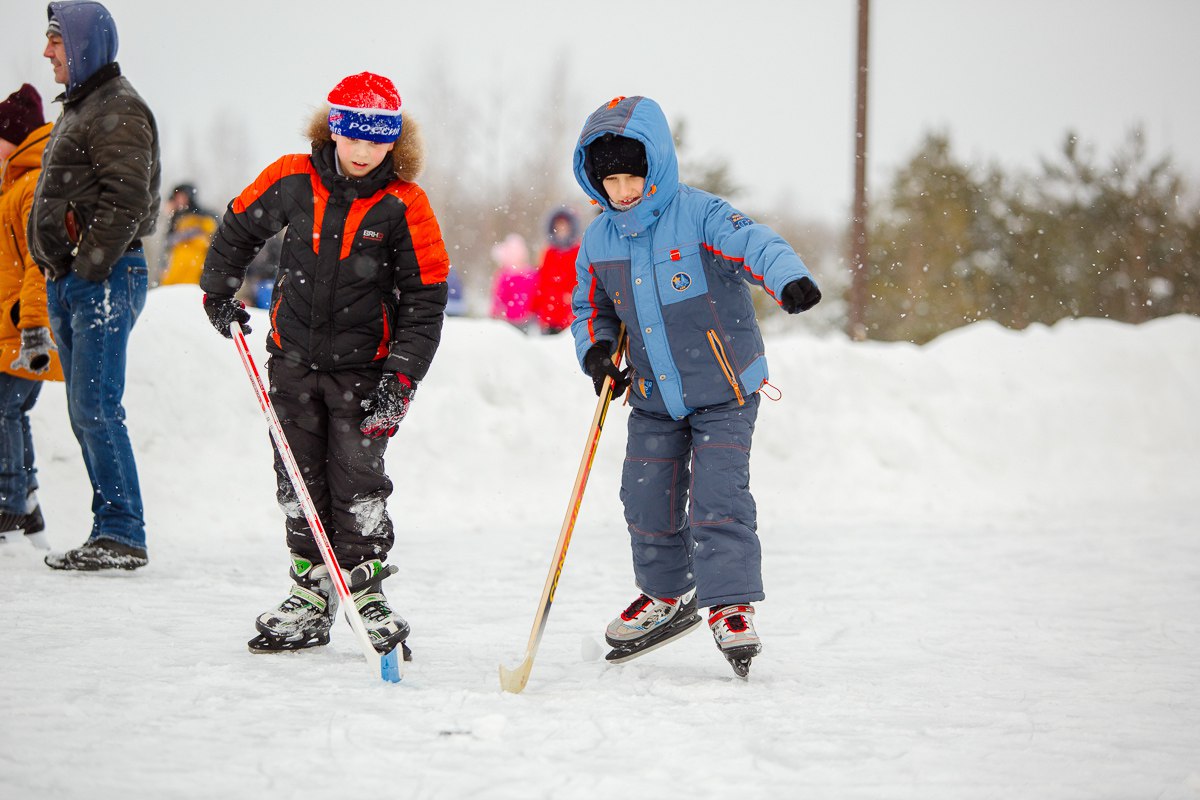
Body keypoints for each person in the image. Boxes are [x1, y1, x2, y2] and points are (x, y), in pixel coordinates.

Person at [569, 96, 823, 676]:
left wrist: (788, 279)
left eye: (634, 175)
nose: (625, 190)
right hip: (654, 397)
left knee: (719, 500)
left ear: (656, 168)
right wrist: (598, 353)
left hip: (724, 392)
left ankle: (730, 603)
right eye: (612, 179)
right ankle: (666, 594)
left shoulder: (701, 215)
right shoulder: (599, 241)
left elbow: (755, 243)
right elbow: (590, 307)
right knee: (644, 499)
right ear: (596, 180)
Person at [200, 72, 450, 657]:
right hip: (291, 361)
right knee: (298, 481)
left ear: (394, 142)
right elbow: (237, 225)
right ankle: (311, 594)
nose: (363, 151)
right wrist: (219, 290)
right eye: (353, 136)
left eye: (377, 139)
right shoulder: (293, 177)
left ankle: (366, 593)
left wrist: (403, 377)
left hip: (366, 373)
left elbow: (426, 296)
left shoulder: (404, 204)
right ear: (334, 129)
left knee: (357, 481)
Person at [28, 1, 161, 571]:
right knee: (87, 409)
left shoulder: (118, 108)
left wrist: (88, 266)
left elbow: (127, 199)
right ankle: (111, 527)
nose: (47, 52)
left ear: (83, 44)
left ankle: (122, 532)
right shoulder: (82, 108)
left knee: (96, 407)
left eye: (55, 40)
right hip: (75, 280)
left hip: (101, 279)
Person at [0, 83, 62, 550]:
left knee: (4, 408)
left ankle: (11, 501)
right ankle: (28, 502)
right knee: (12, 411)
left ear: (15, 138)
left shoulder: (29, 187)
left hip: (25, 330)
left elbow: (40, 262)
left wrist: (31, 323)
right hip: (14, 328)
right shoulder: (14, 186)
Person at [529, 206, 581, 335]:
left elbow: (581, 279)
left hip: (570, 312)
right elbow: (541, 280)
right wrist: (534, 307)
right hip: (549, 313)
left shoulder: (578, 251)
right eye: (559, 227)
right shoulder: (548, 253)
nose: (562, 231)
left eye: (565, 227)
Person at [157, 183, 218, 286]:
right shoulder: (176, 217)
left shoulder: (204, 215)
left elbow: (211, 233)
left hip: (196, 264)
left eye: (182, 196)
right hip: (177, 264)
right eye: (177, 197)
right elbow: (167, 241)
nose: (179, 200)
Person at [488, 233, 535, 331]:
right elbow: (498, 296)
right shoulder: (505, 275)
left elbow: (536, 295)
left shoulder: (530, 274)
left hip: (526, 319)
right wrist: (495, 312)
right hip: (510, 319)